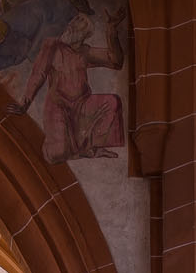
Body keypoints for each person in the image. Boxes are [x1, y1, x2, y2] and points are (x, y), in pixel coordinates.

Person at [14, 11, 126, 161]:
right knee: (56, 154)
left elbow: (116, 62)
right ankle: (80, 151)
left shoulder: (84, 52)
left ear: (83, 35)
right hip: (58, 105)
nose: (70, 28)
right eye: (71, 24)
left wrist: (111, 31)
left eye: (76, 27)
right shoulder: (52, 46)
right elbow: (38, 74)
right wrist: (25, 102)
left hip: (82, 105)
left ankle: (90, 147)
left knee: (112, 102)